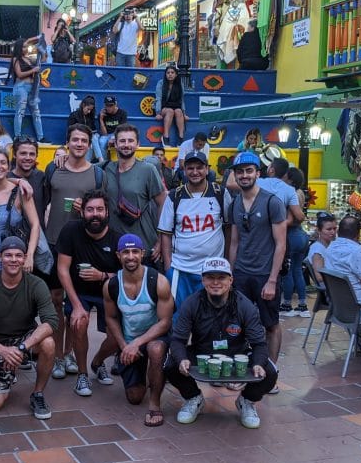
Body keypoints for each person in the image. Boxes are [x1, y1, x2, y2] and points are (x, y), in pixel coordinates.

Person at [165, 257, 278, 427]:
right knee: (171, 365)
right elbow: (178, 340)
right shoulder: (191, 303)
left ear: (231, 280)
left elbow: (259, 344)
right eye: (210, 277)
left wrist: (258, 363)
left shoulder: (244, 305)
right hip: (202, 354)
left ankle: (247, 401)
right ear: (203, 280)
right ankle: (193, 397)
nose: (216, 282)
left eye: (222, 277)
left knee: (269, 372)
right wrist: (182, 359)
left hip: (236, 355)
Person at [43, 124, 107, 378]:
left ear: (89, 145)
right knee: (55, 301)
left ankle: (69, 353)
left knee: (75, 303)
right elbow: (43, 199)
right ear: (67, 143)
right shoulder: (53, 168)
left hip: (81, 245)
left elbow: (100, 208)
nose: (79, 144)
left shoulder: (97, 174)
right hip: (53, 242)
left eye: (84, 140)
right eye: (75, 140)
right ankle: (57, 355)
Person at [0, 237, 59, 418]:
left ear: (25, 258)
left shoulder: (36, 284)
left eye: (18, 255)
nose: (13, 259)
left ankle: (38, 393)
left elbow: (51, 321)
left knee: (48, 344)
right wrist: (3, 351)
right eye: (8, 255)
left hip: (24, 339)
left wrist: (21, 348)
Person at [97, 234, 174, 426]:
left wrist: (136, 344)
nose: (130, 256)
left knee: (155, 350)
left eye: (134, 252)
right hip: (129, 339)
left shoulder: (159, 281)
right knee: (134, 397)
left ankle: (155, 403)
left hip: (154, 336)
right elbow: (111, 317)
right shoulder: (111, 285)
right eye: (125, 252)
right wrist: (125, 345)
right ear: (118, 255)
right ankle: (97, 362)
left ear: (142, 254)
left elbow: (165, 322)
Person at [56, 189, 121, 397]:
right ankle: (82, 375)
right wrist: (75, 305)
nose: (95, 214)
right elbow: (62, 268)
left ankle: (97, 362)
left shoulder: (117, 238)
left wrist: (102, 275)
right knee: (78, 322)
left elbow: (127, 275)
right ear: (82, 212)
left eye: (100, 209)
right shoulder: (70, 230)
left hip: (108, 293)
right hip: (80, 292)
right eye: (90, 209)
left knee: (116, 337)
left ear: (107, 212)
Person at [227, 151, 288, 370]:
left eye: (249, 171)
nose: (244, 176)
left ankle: (270, 371)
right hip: (242, 273)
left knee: (270, 324)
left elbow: (281, 244)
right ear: (235, 175)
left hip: (265, 274)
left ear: (257, 173)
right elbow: (234, 242)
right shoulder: (234, 204)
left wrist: (272, 279)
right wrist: (230, 274)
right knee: (238, 324)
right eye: (240, 172)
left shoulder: (272, 202)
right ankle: (243, 369)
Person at [158, 150, 228, 309]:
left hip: (212, 269)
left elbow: (230, 230)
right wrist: (169, 267)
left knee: (210, 316)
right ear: (184, 170)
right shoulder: (174, 196)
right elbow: (166, 234)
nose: (195, 172)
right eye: (190, 168)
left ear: (207, 169)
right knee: (179, 317)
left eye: (199, 167)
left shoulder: (220, 193)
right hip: (181, 270)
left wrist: (227, 261)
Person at [103, 124, 166, 268]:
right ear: (116, 144)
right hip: (116, 246)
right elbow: (82, 166)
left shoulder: (148, 170)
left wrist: (161, 240)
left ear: (138, 144)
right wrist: (63, 157)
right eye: (122, 141)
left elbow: (163, 203)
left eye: (130, 141)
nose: (126, 145)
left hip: (143, 246)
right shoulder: (106, 168)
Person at [0, 150, 41, 275]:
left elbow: (35, 225)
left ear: (8, 167)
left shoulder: (20, 192)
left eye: (3, 163)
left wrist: (30, 255)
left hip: (15, 261)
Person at [280, 167, 310, 317]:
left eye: (285, 176)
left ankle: (286, 304)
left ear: (290, 179)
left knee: (287, 271)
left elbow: (293, 217)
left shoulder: (290, 193)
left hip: (291, 235)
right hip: (302, 235)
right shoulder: (300, 192)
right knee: (297, 270)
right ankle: (302, 303)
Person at [9, 38, 44, 142]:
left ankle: (41, 137)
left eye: (26, 46)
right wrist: (33, 70)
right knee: (20, 112)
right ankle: (17, 136)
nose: (26, 49)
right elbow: (19, 74)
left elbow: (42, 56)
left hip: (31, 87)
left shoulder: (29, 58)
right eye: (23, 46)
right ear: (19, 48)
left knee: (36, 112)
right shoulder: (16, 59)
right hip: (21, 86)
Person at [154, 64, 186, 146]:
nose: (170, 74)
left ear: (176, 74)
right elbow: (158, 98)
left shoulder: (179, 84)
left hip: (176, 106)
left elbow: (181, 99)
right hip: (164, 107)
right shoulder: (161, 83)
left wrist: (184, 113)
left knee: (179, 112)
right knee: (170, 111)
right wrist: (157, 113)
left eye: (172, 72)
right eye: (168, 73)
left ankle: (181, 138)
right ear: (165, 74)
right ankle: (165, 137)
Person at [94, 95, 127, 164]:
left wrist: (114, 137)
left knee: (119, 142)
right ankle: (104, 163)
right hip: (107, 135)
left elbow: (122, 129)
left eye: (111, 105)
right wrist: (101, 119)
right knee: (102, 141)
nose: (108, 108)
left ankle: (121, 162)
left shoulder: (122, 113)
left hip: (118, 134)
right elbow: (104, 134)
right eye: (106, 105)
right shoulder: (102, 114)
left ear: (115, 104)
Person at [308, 212, 337, 285]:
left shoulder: (329, 245)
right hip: (331, 287)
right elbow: (320, 278)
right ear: (318, 230)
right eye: (329, 229)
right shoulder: (317, 251)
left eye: (334, 228)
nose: (333, 232)